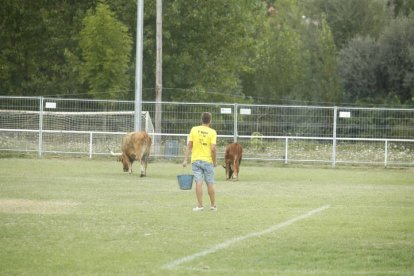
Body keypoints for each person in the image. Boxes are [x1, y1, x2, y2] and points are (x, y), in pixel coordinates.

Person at [182, 112, 217, 211]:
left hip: (196, 160)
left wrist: (185, 160)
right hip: (207, 161)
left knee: (198, 182)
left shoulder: (194, 129)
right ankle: (213, 205)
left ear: (201, 120)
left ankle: (200, 206)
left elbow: (189, 146)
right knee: (210, 183)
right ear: (210, 121)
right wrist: (214, 162)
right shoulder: (212, 132)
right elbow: (213, 149)